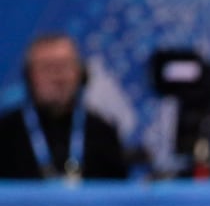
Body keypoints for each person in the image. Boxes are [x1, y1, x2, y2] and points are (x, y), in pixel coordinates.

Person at [0, 33, 129, 180]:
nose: (58, 77)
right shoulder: (5, 133)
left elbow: (118, 189)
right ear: (29, 76)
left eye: (65, 67)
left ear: (81, 74)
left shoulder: (102, 132)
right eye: (47, 68)